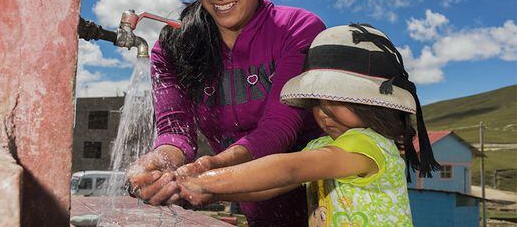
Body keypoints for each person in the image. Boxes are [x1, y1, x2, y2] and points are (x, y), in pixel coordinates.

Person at [126, 0, 326, 226]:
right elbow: (175, 131)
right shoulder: (173, 48)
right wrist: (160, 162)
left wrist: (209, 170)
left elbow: (278, 131)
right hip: (256, 214)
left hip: (325, 208)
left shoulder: (298, 30)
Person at [177, 24, 442, 226]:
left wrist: (209, 180)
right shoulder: (322, 145)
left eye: (337, 100)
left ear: (373, 104)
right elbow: (275, 185)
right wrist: (216, 193)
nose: (324, 112)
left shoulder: (368, 145)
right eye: (317, 101)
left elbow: (289, 169)